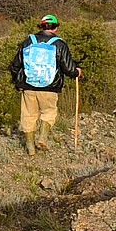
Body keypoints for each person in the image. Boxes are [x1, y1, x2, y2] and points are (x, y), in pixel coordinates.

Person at [11, 15, 79, 154]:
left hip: (28, 86)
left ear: (41, 27)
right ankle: (42, 137)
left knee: (29, 115)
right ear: (56, 27)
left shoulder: (29, 41)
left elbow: (15, 65)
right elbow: (68, 68)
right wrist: (77, 72)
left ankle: (30, 148)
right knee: (49, 112)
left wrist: (18, 82)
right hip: (50, 88)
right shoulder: (59, 44)